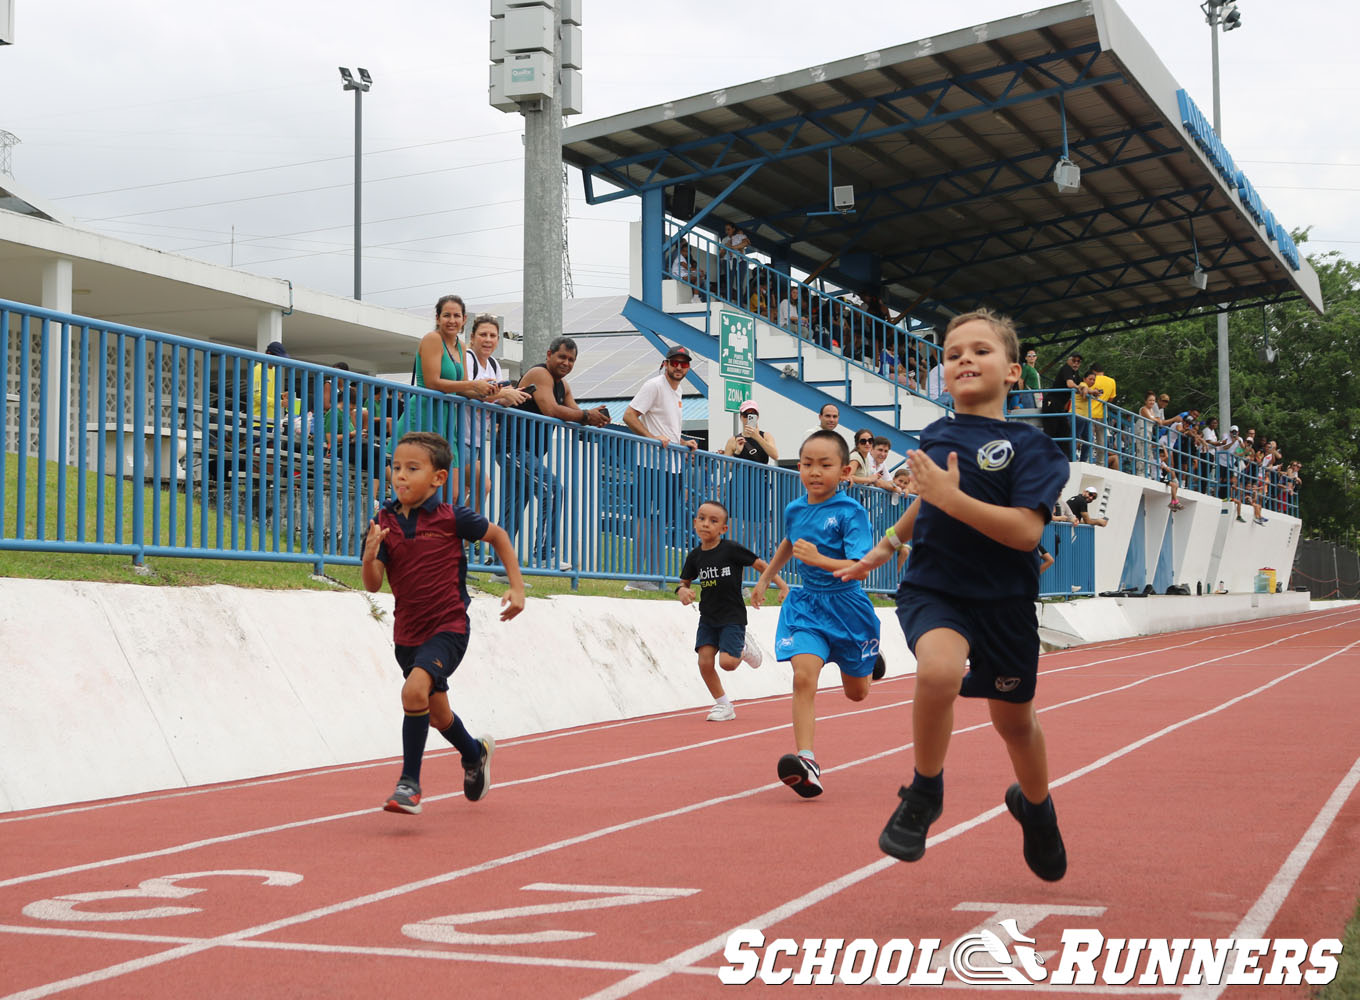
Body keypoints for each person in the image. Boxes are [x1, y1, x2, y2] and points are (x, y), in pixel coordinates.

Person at [836, 307, 1070, 881]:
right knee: (938, 672)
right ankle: (924, 790)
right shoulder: (937, 435)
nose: (963, 357)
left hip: (1005, 601)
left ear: (1014, 372)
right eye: (951, 351)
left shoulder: (1035, 449)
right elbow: (928, 501)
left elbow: (1026, 531)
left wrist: (947, 498)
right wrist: (888, 543)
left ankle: (1036, 808)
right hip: (935, 587)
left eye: (980, 350)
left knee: (1014, 723)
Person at [361, 431, 525, 815]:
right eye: (396, 467)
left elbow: (498, 535)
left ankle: (409, 785)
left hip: (448, 626)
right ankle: (474, 753)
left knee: (413, 692)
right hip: (407, 634)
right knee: (436, 714)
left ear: (438, 478)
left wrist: (516, 587)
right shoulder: (382, 521)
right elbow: (373, 584)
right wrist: (369, 556)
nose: (400, 476)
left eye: (412, 469)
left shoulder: (452, 518)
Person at [749, 429, 882, 798]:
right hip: (808, 607)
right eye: (807, 464)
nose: (814, 471)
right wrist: (766, 578)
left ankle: (870, 663)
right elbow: (790, 543)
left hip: (848, 607)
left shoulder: (851, 512)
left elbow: (862, 566)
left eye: (825, 464)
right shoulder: (794, 509)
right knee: (803, 677)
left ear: (844, 472)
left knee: (857, 694)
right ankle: (807, 760)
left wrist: (820, 559)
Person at [501, 336, 610, 575]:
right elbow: (552, 409)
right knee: (553, 490)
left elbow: (573, 412)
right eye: (562, 357)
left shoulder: (563, 385)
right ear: (549, 355)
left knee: (515, 507)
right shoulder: (540, 374)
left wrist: (595, 418)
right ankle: (544, 555)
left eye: (571, 360)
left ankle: (500, 564)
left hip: (530, 453)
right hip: (514, 449)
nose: (566, 363)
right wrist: (585, 415)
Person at [677, 500, 789, 721]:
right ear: (694, 522)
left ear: (723, 529)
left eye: (713, 521)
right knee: (704, 662)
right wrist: (682, 591)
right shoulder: (695, 556)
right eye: (701, 518)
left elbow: (761, 565)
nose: (706, 524)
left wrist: (782, 586)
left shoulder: (731, 549)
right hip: (708, 617)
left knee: (727, 663)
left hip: (732, 616)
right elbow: (684, 582)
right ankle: (724, 705)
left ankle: (743, 646)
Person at [397, 295, 501, 491]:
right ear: (437, 318)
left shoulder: (461, 346)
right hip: (424, 414)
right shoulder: (432, 339)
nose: (452, 320)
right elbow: (432, 382)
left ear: (464, 320)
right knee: (422, 490)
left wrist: (489, 391)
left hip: (447, 420)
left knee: (452, 493)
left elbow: (465, 388)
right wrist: (473, 384)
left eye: (456, 315)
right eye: (446, 315)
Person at [624, 344, 700, 591]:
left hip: (673, 467)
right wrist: (651, 437)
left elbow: (667, 430)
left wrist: (682, 442)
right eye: (675, 362)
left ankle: (656, 577)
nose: (679, 367)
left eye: (684, 363)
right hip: (650, 464)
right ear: (666, 363)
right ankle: (637, 577)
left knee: (661, 521)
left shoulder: (678, 392)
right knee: (645, 518)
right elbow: (629, 416)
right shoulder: (654, 385)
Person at [462, 313, 529, 513]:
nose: (488, 340)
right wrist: (503, 395)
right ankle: (453, 539)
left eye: (493, 336)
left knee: (479, 488)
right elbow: (466, 391)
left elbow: (497, 396)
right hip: (459, 435)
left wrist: (512, 396)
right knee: (465, 490)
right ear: (472, 337)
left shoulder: (493, 364)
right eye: (483, 334)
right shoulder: (468, 358)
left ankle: (459, 539)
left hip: (478, 438)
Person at [1042, 351, 1083, 455]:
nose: (1076, 363)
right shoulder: (1066, 369)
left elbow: (1081, 384)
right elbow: (1070, 384)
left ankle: (1065, 458)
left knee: (1065, 430)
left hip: (1060, 406)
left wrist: (1092, 391)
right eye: (1074, 360)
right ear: (1068, 360)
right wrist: (1080, 388)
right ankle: (1044, 456)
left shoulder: (1075, 373)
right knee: (1051, 430)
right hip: (1052, 403)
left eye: (1079, 361)